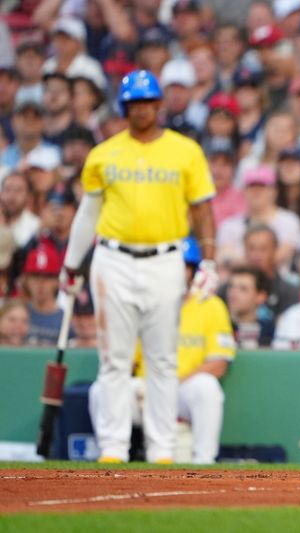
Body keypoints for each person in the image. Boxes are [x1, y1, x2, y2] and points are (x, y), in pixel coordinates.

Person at [59, 70, 217, 464]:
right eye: (134, 103)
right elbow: (88, 212)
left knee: (162, 357)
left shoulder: (185, 151)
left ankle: (162, 449)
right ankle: (113, 447)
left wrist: (210, 258)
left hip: (166, 257)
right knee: (114, 357)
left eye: (147, 102)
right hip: (112, 257)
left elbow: (202, 209)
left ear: (159, 105)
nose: (141, 109)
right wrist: (71, 264)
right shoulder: (104, 154)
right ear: (125, 107)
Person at [90, 238, 235, 464]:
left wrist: (170, 384)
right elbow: (125, 362)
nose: (179, 272)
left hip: (182, 388)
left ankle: (204, 461)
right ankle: (113, 455)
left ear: (193, 271)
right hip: (144, 391)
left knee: (207, 387)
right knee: (100, 390)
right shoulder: (140, 301)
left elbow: (219, 362)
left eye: (185, 267)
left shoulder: (209, 304)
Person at [226, 265, 273, 349]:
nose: (233, 293)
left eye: (243, 289)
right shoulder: (218, 328)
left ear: (261, 296)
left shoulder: (272, 330)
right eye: (231, 286)